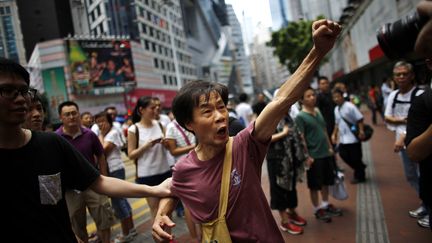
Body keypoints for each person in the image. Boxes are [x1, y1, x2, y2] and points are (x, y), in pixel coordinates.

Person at [152, 19, 342, 242]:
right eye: (207, 111)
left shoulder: (244, 145)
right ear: (188, 124)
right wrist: (161, 214)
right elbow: (174, 189)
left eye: (221, 107)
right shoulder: (184, 168)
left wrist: (317, 52)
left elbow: (281, 100)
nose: (220, 116)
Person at [0, 57, 171, 243]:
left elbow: (99, 181)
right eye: (8, 91)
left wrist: (154, 190)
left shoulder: (51, 143)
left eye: (24, 91)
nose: (20, 99)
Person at [56, 101, 115, 243]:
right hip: (70, 190)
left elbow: (100, 155)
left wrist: (104, 178)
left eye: (74, 113)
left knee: (104, 220)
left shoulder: (89, 135)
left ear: (78, 114)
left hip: (94, 184)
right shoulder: (56, 138)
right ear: (61, 118)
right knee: (77, 227)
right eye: (67, 114)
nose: (71, 117)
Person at [384, 61, 426, 220]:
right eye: (397, 74)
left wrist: (400, 125)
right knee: (411, 176)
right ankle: (425, 203)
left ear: (412, 75)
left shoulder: (421, 94)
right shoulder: (393, 95)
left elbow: (423, 122)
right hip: (402, 145)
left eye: (404, 74)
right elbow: (387, 118)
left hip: (421, 142)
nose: (401, 77)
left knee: (425, 175)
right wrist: (406, 121)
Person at [295, 87, 342, 223]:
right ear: (302, 100)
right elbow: (301, 138)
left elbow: (324, 130)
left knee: (327, 181)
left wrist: (329, 147)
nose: (312, 98)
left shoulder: (317, 111)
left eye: (313, 95)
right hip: (313, 156)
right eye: (308, 96)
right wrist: (307, 157)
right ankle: (317, 209)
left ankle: (325, 204)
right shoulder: (300, 116)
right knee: (315, 185)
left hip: (325, 153)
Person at [94, 112, 137, 242]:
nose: (101, 124)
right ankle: (131, 229)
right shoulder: (106, 134)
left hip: (115, 170)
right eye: (98, 122)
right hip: (113, 170)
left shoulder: (112, 133)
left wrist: (100, 135)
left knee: (118, 202)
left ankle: (125, 233)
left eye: (103, 121)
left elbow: (102, 150)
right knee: (122, 200)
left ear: (109, 122)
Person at [127, 96, 172, 220]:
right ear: (141, 110)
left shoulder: (160, 124)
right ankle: (160, 238)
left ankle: (169, 238)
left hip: (164, 172)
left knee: (168, 210)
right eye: (152, 108)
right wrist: (146, 146)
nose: (156, 110)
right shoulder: (133, 129)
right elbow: (131, 154)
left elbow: (169, 148)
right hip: (147, 175)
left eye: (157, 107)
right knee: (156, 210)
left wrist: (166, 143)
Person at [267, 112, 308, 235]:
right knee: (279, 189)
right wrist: (283, 133)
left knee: (291, 187)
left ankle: (291, 212)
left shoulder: (288, 117)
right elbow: (264, 139)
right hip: (277, 160)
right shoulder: (270, 118)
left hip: (290, 159)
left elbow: (297, 136)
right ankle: (284, 221)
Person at [331, 88, 367, 184]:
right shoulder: (336, 109)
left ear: (342, 96)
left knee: (356, 158)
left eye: (338, 97)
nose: (336, 99)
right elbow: (337, 123)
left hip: (354, 138)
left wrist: (361, 131)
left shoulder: (350, 106)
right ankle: (360, 167)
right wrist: (334, 134)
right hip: (343, 139)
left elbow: (360, 118)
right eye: (334, 97)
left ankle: (360, 176)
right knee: (343, 154)